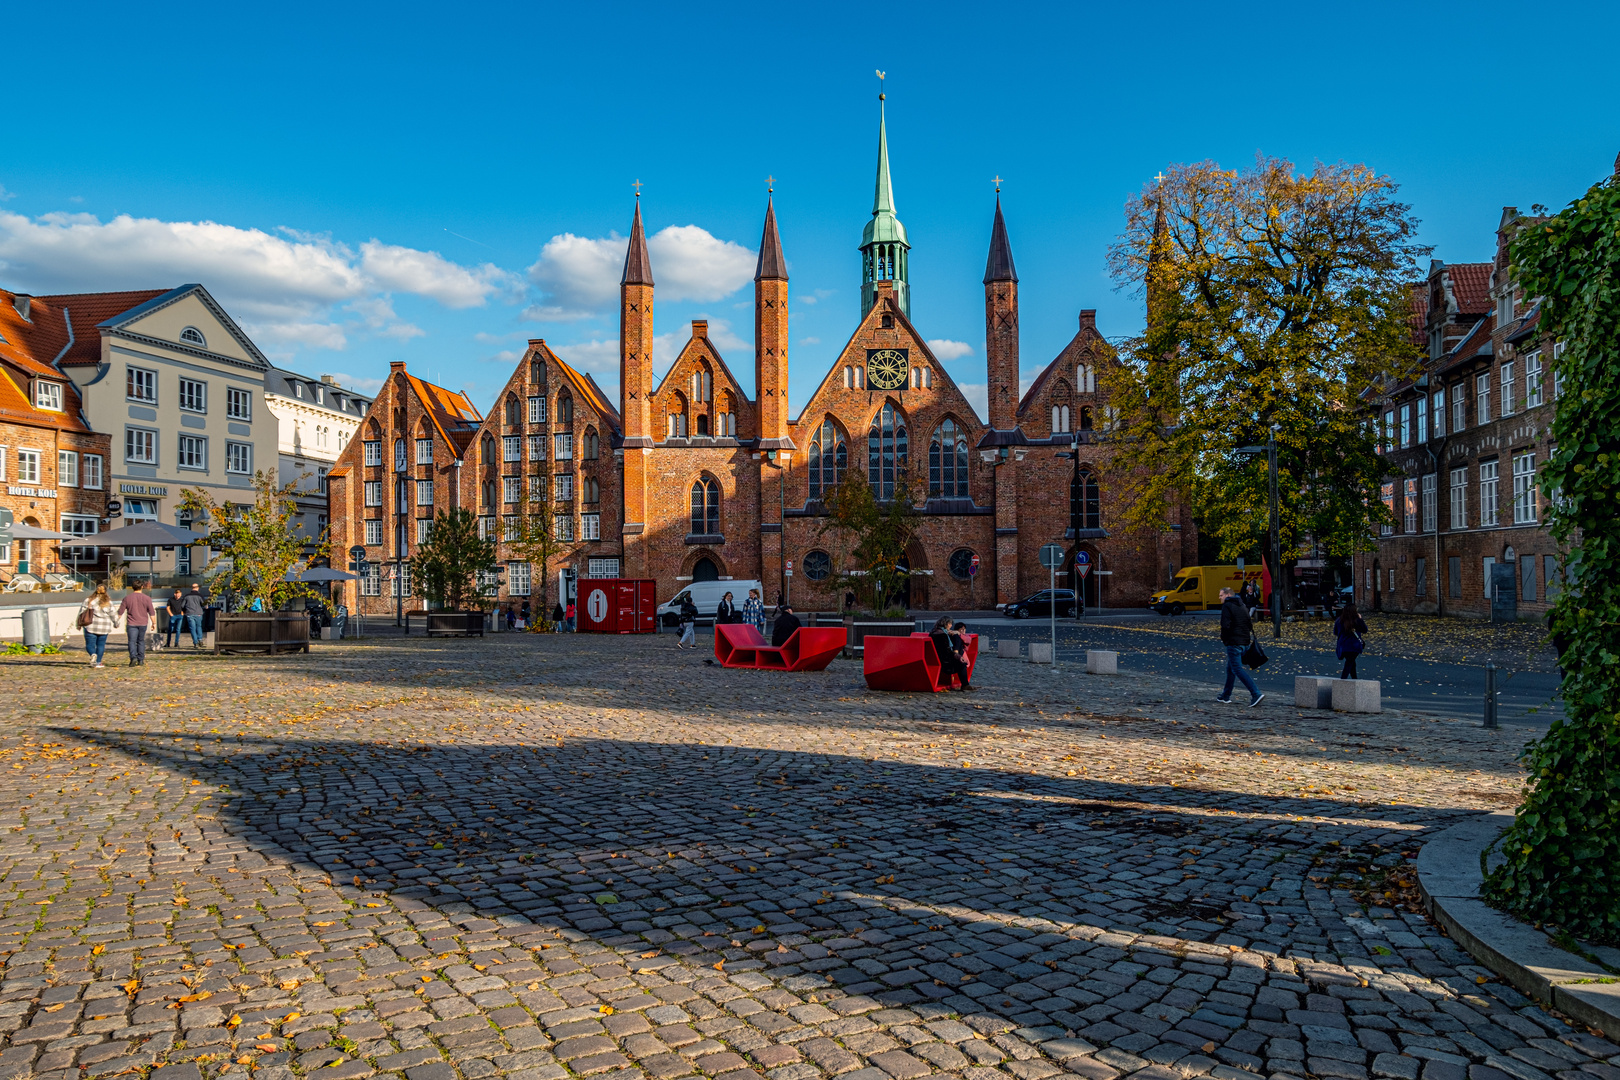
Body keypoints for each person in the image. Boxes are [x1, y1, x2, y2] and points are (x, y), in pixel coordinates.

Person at [1216, 586, 1264, 707]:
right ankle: (1225, 695)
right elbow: (1248, 623)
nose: (1219, 597)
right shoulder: (1242, 606)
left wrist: (1225, 639)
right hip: (1244, 642)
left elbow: (1225, 625)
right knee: (1231, 669)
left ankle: (1255, 693)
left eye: (1221, 595)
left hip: (1234, 642)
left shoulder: (1227, 606)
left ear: (1227, 595)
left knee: (1237, 669)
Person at [117, 580, 156, 667]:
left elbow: (120, 612)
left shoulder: (127, 598)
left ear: (132, 587)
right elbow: (152, 612)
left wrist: (116, 621)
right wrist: (154, 623)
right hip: (143, 623)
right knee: (141, 641)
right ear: (142, 587)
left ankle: (133, 657)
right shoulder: (147, 598)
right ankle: (141, 659)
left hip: (132, 623)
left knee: (132, 641)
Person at [78, 585, 118, 668]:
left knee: (90, 644)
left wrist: (79, 624)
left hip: (91, 626)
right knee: (101, 645)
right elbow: (113, 614)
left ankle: (93, 654)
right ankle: (98, 662)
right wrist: (116, 623)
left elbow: (82, 612)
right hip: (104, 627)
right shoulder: (108, 602)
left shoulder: (88, 601)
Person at [930, 616, 973, 691]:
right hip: (944, 662)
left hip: (936, 657)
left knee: (956, 637)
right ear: (946, 624)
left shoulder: (936, 632)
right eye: (950, 624)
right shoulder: (942, 635)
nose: (951, 626)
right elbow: (946, 651)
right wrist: (957, 656)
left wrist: (956, 632)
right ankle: (965, 685)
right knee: (962, 664)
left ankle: (958, 653)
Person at [1334, 602, 1368, 680]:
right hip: (1353, 645)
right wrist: (1360, 619)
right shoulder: (1356, 620)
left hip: (1343, 645)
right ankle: (1343, 679)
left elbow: (1335, 632)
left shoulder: (1339, 620)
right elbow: (1364, 630)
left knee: (1351, 662)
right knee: (1350, 662)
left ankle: (1354, 679)